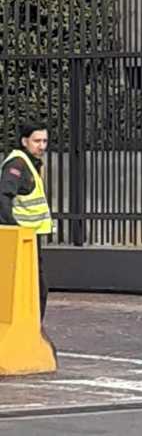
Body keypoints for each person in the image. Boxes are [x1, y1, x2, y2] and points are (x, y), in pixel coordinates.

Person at [0, 122, 53, 321]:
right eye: (37, 141)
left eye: (45, 141)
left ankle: (32, 329)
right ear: (24, 141)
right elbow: (3, 197)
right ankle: (31, 329)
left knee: (36, 288)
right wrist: (13, 230)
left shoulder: (31, 164)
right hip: (21, 239)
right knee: (35, 288)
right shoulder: (18, 165)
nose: (42, 146)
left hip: (30, 238)